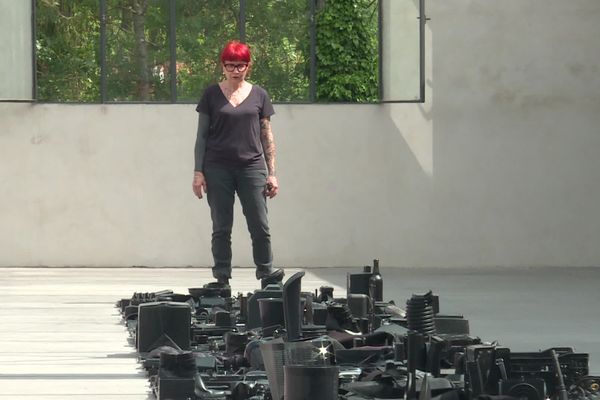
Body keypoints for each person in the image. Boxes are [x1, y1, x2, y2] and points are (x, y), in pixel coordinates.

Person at [192, 40, 284, 288]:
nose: (235, 70)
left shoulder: (259, 95)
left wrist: (272, 173)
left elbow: (267, 135)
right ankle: (222, 277)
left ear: (248, 66)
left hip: (252, 167)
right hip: (217, 168)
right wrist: (198, 172)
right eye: (230, 65)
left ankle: (266, 274)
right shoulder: (211, 95)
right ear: (222, 66)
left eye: (240, 65)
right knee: (221, 226)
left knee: (259, 225)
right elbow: (201, 136)